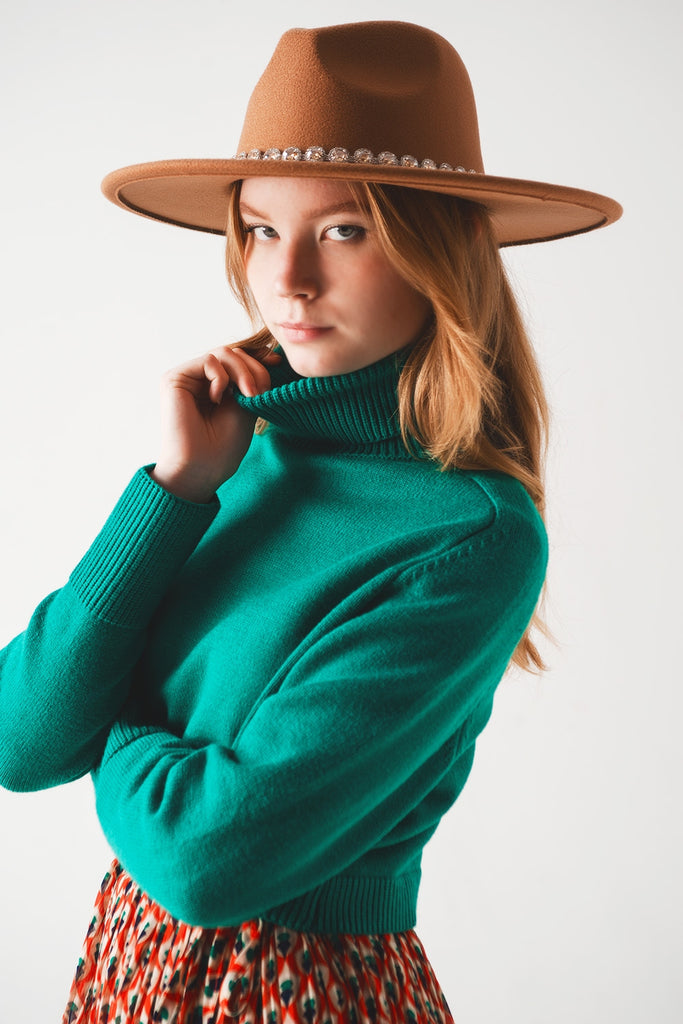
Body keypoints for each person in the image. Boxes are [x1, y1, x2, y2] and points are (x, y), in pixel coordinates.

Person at [0, 20, 621, 1024]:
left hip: (299, 992)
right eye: (258, 229)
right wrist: (171, 491)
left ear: (437, 250)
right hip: (126, 963)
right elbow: (21, 739)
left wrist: (111, 720)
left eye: (344, 230)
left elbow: (205, 858)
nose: (285, 278)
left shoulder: (469, 535)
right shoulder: (228, 452)